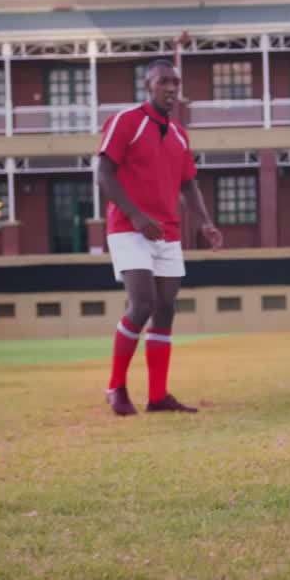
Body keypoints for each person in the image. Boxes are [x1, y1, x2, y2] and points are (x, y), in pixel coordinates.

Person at [96, 59, 223, 416]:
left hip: (167, 232)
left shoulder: (180, 134)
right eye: (163, 81)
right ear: (148, 85)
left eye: (176, 83)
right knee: (142, 304)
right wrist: (135, 215)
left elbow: (188, 184)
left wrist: (205, 223)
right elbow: (103, 173)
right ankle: (116, 388)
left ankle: (157, 396)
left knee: (166, 308)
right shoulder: (126, 121)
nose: (171, 88)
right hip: (127, 227)